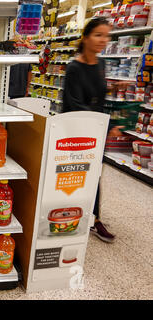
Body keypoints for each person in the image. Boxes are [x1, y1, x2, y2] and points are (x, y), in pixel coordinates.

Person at [63, 17, 121, 243]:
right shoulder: (74, 68)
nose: (103, 40)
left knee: (94, 175)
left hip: (96, 131)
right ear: (86, 37)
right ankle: (69, 215)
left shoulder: (101, 65)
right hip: (75, 131)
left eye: (107, 36)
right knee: (73, 175)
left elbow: (100, 101)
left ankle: (95, 220)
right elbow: (75, 104)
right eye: (98, 35)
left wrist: (111, 124)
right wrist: (103, 125)